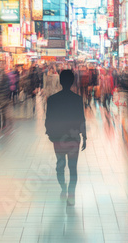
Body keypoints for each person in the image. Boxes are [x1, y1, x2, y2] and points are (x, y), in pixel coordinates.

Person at [45, 70, 87, 206]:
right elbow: (81, 119)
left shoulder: (52, 99)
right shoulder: (77, 99)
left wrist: (50, 134)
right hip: (74, 137)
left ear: (60, 81)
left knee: (60, 165)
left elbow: (48, 119)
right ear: (72, 82)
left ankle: (63, 189)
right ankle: (71, 194)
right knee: (73, 167)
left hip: (58, 137)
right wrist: (84, 136)